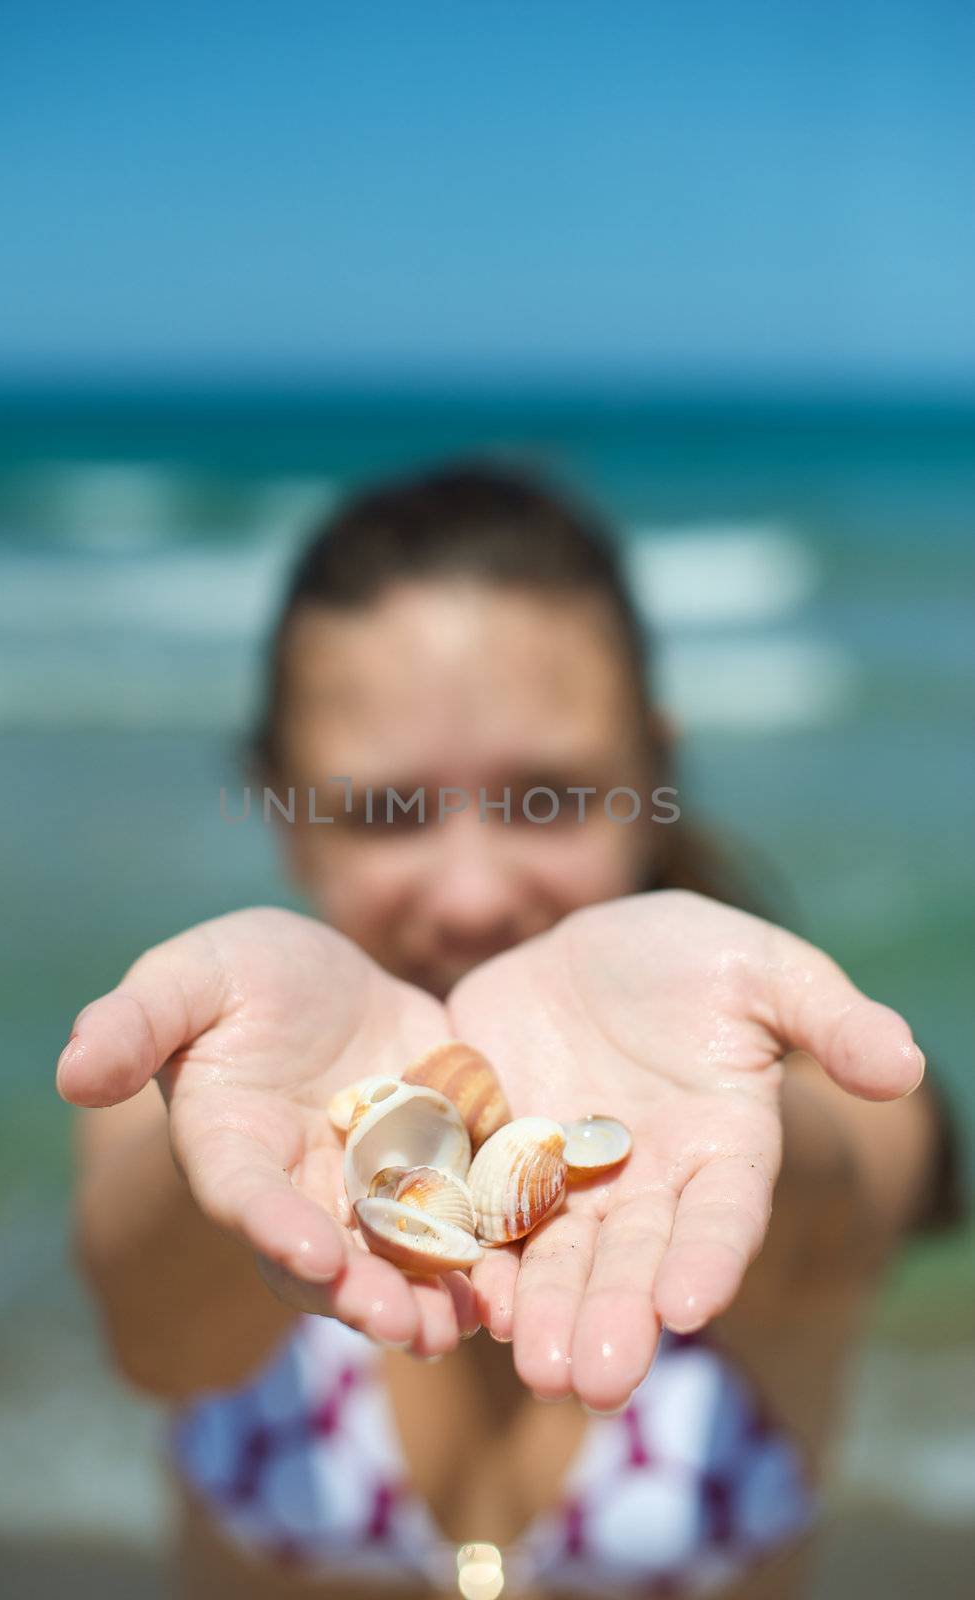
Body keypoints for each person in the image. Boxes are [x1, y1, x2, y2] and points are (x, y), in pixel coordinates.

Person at [58, 466, 960, 1600]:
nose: (474, 891)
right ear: (279, 803)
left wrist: (748, 1104)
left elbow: (848, 1184)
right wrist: (204, 1170)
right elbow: (152, 1332)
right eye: (386, 810)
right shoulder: (211, 1102)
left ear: (654, 774)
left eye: (551, 796)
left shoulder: (760, 1106)